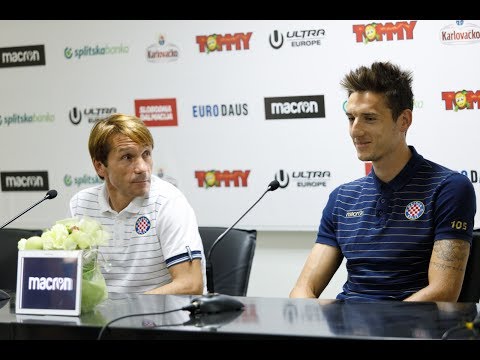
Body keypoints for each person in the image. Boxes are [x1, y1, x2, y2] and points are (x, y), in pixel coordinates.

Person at [290, 61, 476, 302]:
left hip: (411, 331)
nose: (355, 131)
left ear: (404, 120)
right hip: (348, 330)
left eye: (369, 118)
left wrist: (373, 329)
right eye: (351, 118)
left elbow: (443, 292)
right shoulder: (342, 198)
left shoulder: (448, 188)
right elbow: (301, 291)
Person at [69, 113, 206, 295]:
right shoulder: (81, 204)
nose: (142, 168)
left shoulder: (168, 202)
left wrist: (123, 309)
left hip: (165, 318)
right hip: (104, 320)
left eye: (146, 154)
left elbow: (190, 284)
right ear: (100, 166)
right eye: (127, 157)